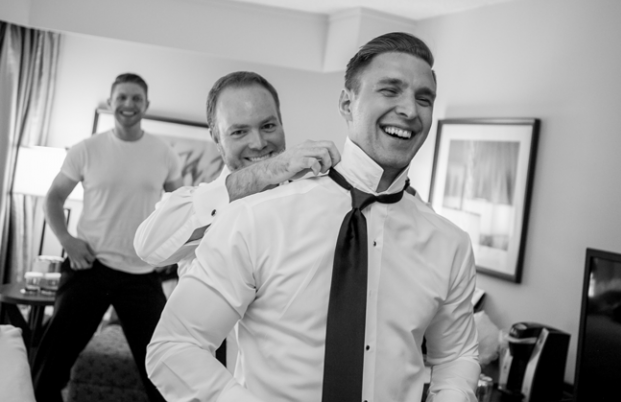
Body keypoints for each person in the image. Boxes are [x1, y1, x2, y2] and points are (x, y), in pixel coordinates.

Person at [147, 33, 481, 401]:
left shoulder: (449, 243)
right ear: (346, 103)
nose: (410, 110)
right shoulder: (255, 217)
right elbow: (172, 341)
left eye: (424, 98)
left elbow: (457, 355)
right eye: (390, 90)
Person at [32, 73, 183, 402]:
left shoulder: (164, 154)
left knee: (163, 368)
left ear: (146, 105)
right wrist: (67, 241)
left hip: (140, 275)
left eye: (136, 99)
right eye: (122, 97)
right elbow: (53, 198)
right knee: (50, 365)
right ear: (111, 102)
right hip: (89, 267)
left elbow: (179, 210)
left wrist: (169, 254)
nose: (129, 104)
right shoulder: (86, 149)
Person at [134, 71, 341, 277]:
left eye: (268, 126)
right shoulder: (198, 206)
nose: (259, 143)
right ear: (216, 138)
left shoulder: (314, 196)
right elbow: (147, 248)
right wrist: (266, 172)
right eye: (239, 132)